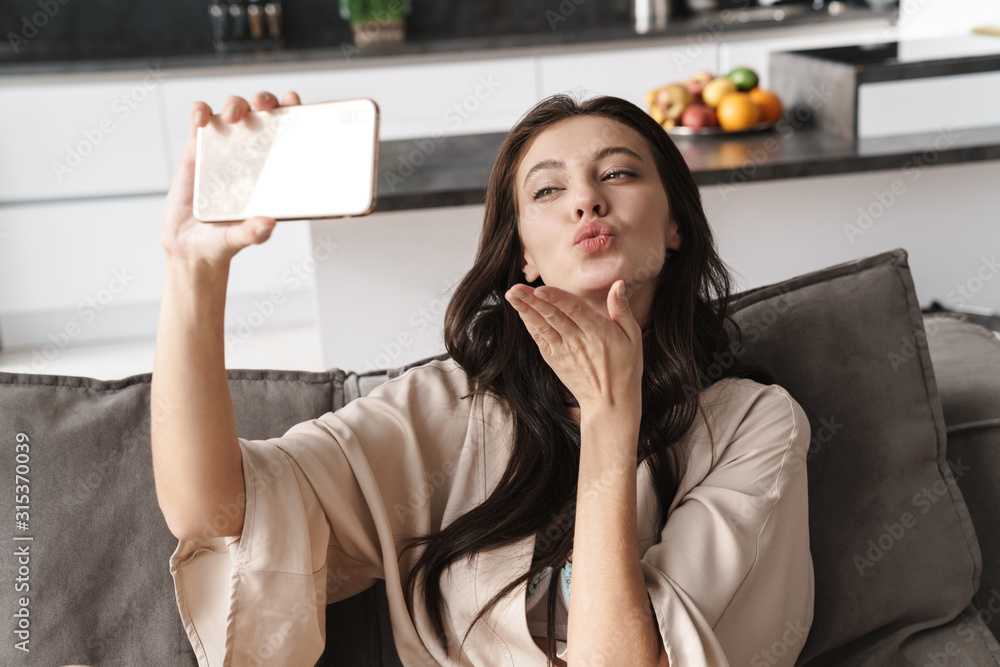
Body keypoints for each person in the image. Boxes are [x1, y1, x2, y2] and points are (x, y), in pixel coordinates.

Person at [152, 89, 814, 667]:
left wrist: (611, 417)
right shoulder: (453, 404)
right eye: (548, 189)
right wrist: (194, 273)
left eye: (617, 172)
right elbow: (213, 511)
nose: (586, 198)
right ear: (524, 250)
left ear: (674, 224)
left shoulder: (753, 424)